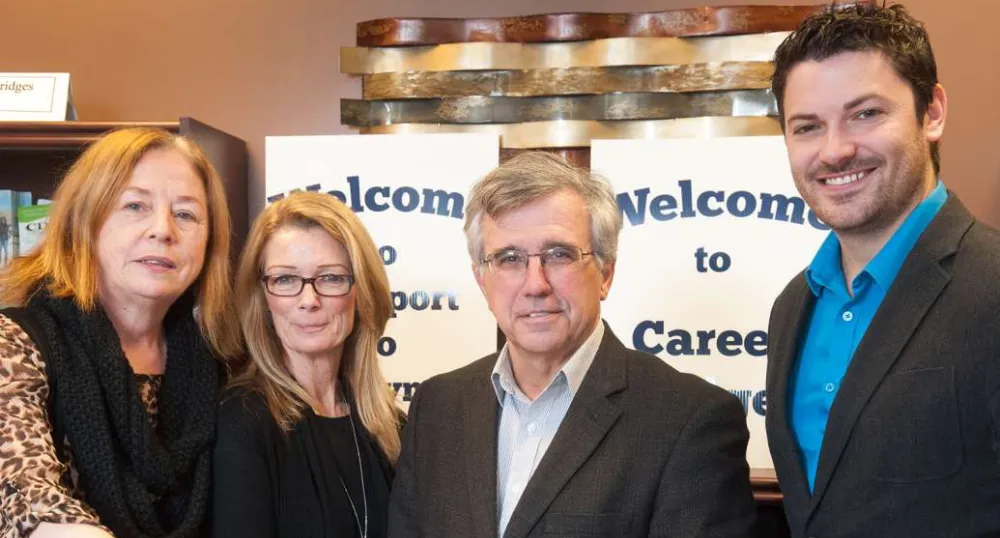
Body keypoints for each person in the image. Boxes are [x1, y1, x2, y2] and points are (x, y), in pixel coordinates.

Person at [388, 152, 757, 538]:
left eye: (559, 255)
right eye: (509, 258)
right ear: (482, 281)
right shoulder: (437, 407)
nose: (535, 284)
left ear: (605, 273)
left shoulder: (689, 420)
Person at [765, 3, 1000, 537]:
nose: (835, 150)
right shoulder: (791, 309)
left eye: (865, 114)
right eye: (807, 127)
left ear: (932, 111)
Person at [0, 127, 240, 538]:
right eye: (135, 206)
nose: (164, 230)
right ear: (84, 221)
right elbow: (25, 494)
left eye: (186, 214)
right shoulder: (14, 342)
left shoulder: (223, 362)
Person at [213, 192, 401, 538]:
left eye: (330, 278)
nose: (309, 301)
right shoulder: (242, 421)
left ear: (360, 292)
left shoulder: (390, 427)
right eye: (285, 279)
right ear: (262, 298)